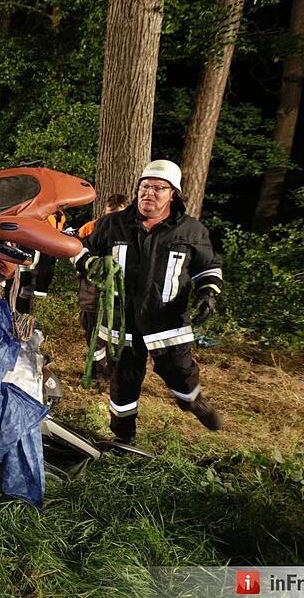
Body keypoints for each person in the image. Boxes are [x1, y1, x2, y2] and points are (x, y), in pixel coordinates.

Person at [73, 160, 224, 443]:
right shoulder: (112, 224)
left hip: (167, 321)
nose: (149, 193)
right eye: (144, 187)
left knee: (180, 372)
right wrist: (90, 265)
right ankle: (123, 438)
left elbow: (209, 267)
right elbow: (79, 251)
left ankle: (193, 401)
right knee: (123, 382)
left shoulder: (191, 231)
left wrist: (208, 293)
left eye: (158, 188)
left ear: (173, 194)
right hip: (121, 322)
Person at [77, 193, 129, 377]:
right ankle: (97, 363)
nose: (112, 219)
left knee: (114, 329)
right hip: (92, 288)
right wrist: (90, 266)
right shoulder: (90, 228)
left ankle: (114, 366)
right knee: (90, 325)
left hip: (118, 293)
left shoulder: (131, 230)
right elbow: (77, 251)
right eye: (110, 214)